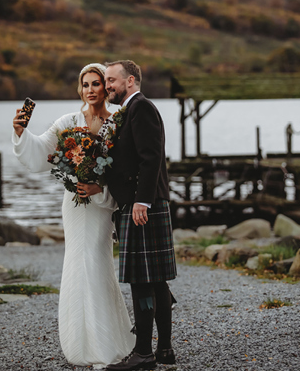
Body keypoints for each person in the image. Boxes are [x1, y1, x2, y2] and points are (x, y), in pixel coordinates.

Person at [12, 63, 135, 368]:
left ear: (105, 88)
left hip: (101, 204)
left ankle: (107, 342)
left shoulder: (117, 122)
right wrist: (20, 131)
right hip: (74, 203)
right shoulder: (68, 121)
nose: (91, 89)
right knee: (77, 266)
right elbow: (43, 150)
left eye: (96, 83)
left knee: (97, 263)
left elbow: (123, 168)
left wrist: (100, 189)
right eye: (85, 85)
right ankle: (80, 343)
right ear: (79, 89)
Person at [94, 60, 177, 371]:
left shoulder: (141, 108)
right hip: (144, 204)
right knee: (155, 279)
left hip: (143, 206)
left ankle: (143, 354)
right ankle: (164, 349)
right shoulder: (128, 112)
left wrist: (142, 202)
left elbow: (151, 156)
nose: (107, 86)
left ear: (130, 80)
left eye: (111, 80)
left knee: (141, 281)